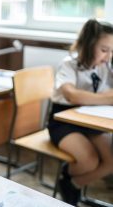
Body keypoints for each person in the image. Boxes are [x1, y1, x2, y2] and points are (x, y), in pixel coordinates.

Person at [48, 19, 113, 206]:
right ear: (89, 44)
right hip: (63, 120)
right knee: (89, 161)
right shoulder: (69, 64)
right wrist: (108, 98)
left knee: (111, 160)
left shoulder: (106, 66)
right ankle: (66, 176)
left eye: (112, 51)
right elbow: (72, 95)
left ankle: (71, 183)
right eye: (104, 50)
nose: (108, 56)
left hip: (91, 119)